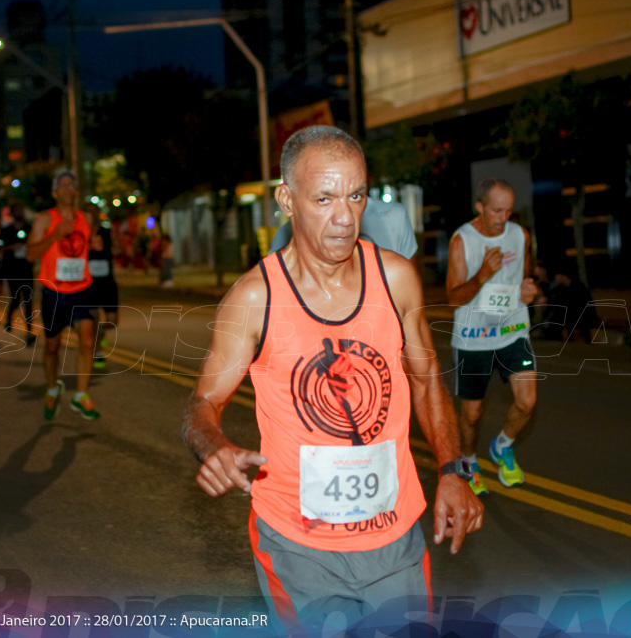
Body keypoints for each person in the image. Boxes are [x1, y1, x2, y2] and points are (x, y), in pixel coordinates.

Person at [182, 126, 483, 634]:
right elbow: (202, 402)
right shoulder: (255, 298)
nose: (345, 217)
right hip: (298, 548)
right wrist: (212, 444)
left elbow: (428, 380)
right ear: (287, 199)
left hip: (396, 541)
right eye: (323, 198)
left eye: (356, 195)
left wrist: (453, 470)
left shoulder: (395, 279)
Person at [446, 179, 539, 492]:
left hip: (512, 330)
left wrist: (528, 290)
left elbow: (524, 277)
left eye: (509, 211)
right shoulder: (463, 241)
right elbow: (453, 298)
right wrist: (482, 276)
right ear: (480, 207)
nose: (503, 217)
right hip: (473, 337)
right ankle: (469, 461)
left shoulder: (519, 235)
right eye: (496, 210)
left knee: (527, 401)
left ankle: (503, 446)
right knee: (472, 414)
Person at [27, 169, 98, 421]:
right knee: (53, 347)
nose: (69, 189)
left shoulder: (84, 219)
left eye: (73, 185)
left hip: (82, 288)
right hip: (55, 291)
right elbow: (30, 255)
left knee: (87, 341)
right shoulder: (45, 219)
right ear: (55, 192)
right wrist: (55, 235)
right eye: (64, 185)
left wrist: (94, 245)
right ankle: (51, 387)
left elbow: (82, 246)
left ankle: (80, 396)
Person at [269, 195, 418, 260]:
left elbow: (410, 305)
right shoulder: (287, 233)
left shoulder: (393, 215)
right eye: (323, 199)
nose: (346, 219)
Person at [82, 203, 119, 371]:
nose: (92, 216)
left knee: (112, 321)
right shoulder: (80, 233)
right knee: (95, 317)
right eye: (88, 213)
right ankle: (98, 351)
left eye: (94, 212)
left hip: (107, 280)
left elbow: (117, 249)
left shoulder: (106, 231)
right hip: (89, 282)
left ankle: (102, 333)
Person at [0, 203, 37, 346]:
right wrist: (11, 247)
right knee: (16, 297)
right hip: (12, 269)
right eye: (16, 210)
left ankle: (29, 331)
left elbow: (37, 243)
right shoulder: (7, 230)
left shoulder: (30, 228)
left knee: (28, 299)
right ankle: (9, 318)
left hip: (26, 268)